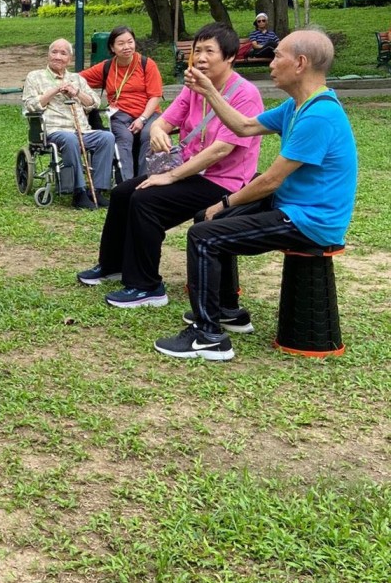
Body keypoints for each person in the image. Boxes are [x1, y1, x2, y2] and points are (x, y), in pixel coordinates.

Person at [153, 30, 358, 362]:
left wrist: (224, 202)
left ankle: (209, 337)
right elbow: (244, 126)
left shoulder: (319, 116)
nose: (271, 62)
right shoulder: (297, 106)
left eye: (278, 56)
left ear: (301, 64)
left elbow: (271, 181)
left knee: (203, 236)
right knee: (213, 220)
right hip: (291, 206)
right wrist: (208, 90)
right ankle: (228, 311)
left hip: (310, 221)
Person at [76, 22, 263, 308]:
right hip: (191, 172)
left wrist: (171, 176)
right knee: (124, 192)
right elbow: (165, 119)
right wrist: (159, 130)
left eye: (209, 51)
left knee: (145, 200)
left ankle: (147, 286)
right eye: (197, 50)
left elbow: (220, 151)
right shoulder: (194, 87)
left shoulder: (245, 94)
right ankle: (113, 264)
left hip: (222, 180)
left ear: (229, 57)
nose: (200, 57)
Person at [21, 39, 116, 209]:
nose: (58, 56)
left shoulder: (77, 79)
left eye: (63, 53)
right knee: (70, 139)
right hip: (54, 131)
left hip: (82, 131)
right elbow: (30, 105)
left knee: (106, 137)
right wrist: (55, 89)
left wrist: (76, 92)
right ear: (48, 55)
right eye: (54, 52)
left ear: (69, 60)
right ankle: (78, 192)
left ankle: (98, 190)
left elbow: (94, 103)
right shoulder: (35, 76)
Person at [79, 27, 164, 181]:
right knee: (124, 138)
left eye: (130, 42)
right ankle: (127, 183)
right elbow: (78, 79)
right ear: (112, 47)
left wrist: (142, 119)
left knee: (148, 135)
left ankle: (145, 180)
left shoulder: (147, 64)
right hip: (120, 114)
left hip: (148, 113)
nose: (127, 47)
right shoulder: (107, 66)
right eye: (121, 43)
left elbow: (155, 96)